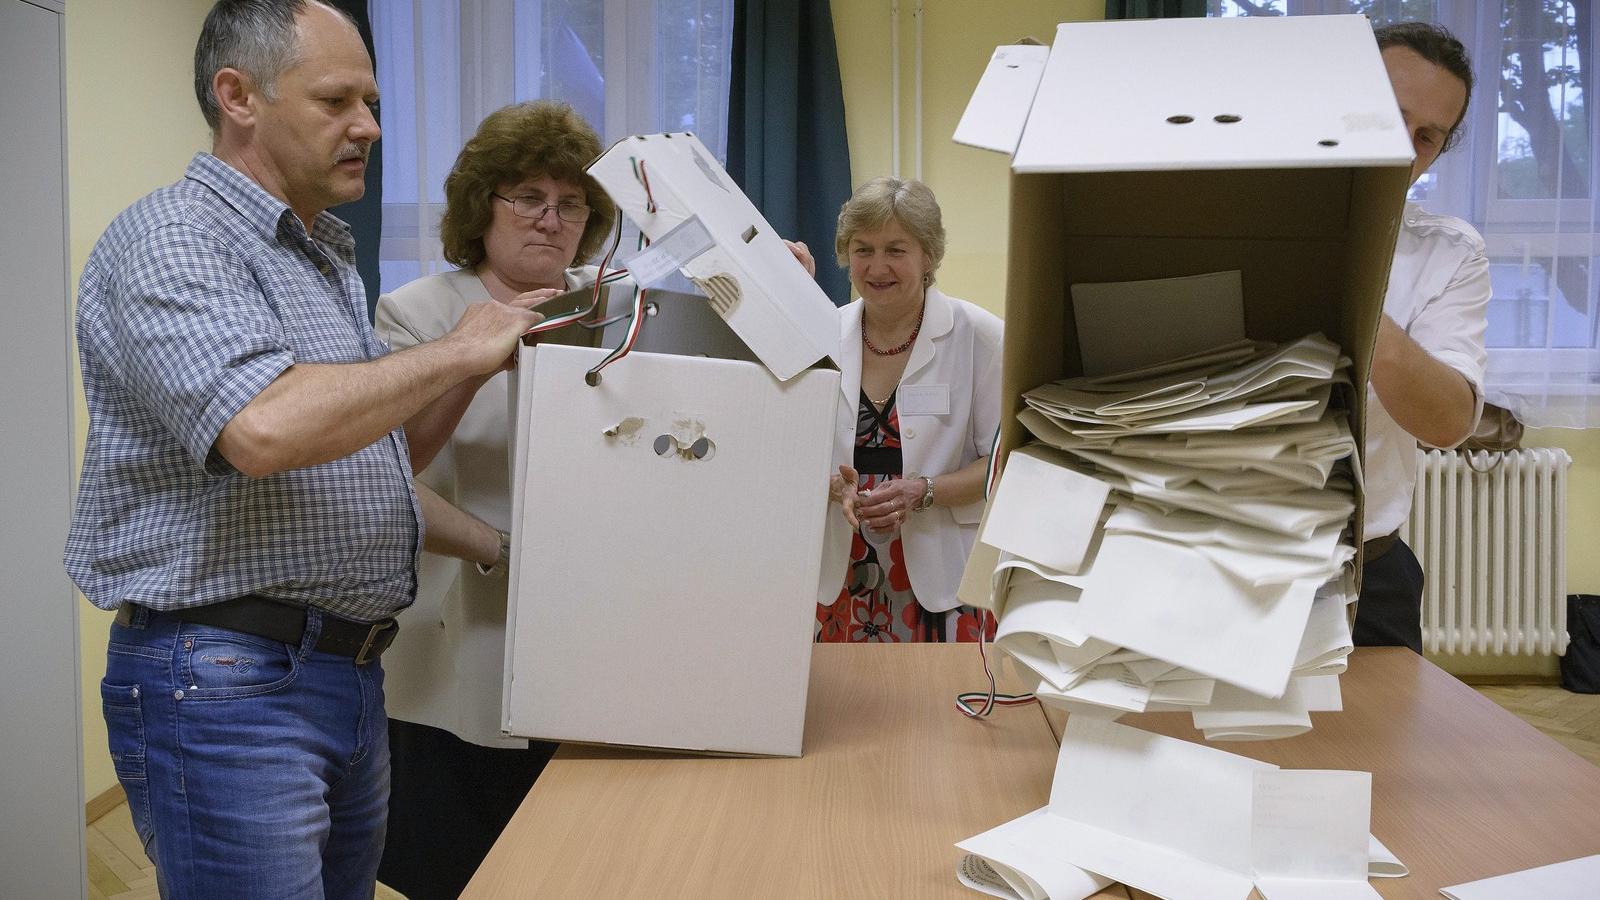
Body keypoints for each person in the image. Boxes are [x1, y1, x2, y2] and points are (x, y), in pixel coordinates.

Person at [64, 1, 533, 895]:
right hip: (229, 684)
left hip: (340, 673)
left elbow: (385, 457)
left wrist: (473, 364)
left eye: (373, 100)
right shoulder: (175, 237)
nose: (370, 126)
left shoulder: (315, 254)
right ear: (236, 95)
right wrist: (453, 349)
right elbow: (263, 427)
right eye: (337, 100)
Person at [370, 99, 618, 899]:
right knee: (457, 866)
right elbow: (387, 474)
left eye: (570, 202)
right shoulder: (417, 314)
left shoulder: (609, 310)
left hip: (588, 637)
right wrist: (499, 548)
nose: (550, 219)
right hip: (457, 634)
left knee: (577, 866)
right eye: (527, 198)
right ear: (484, 208)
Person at [817, 177, 1003, 643]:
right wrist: (830, 484)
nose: (877, 267)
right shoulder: (820, 336)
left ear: (929, 256)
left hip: (944, 579)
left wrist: (923, 491)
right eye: (863, 249)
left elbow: (1005, 464)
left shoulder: (980, 336)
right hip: (843, 576)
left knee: (939, 709)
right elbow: (786, 451)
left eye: (896, 249)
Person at [1356, 21, 1490, 652]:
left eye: (1427, 137)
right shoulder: (1220, 215)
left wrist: (1348, 271)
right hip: (1204, 561)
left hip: (1365, 574)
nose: (1403, 146)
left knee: (1378, 754)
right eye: (1388, 113)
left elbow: (1448, 422)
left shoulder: (1452, 253)